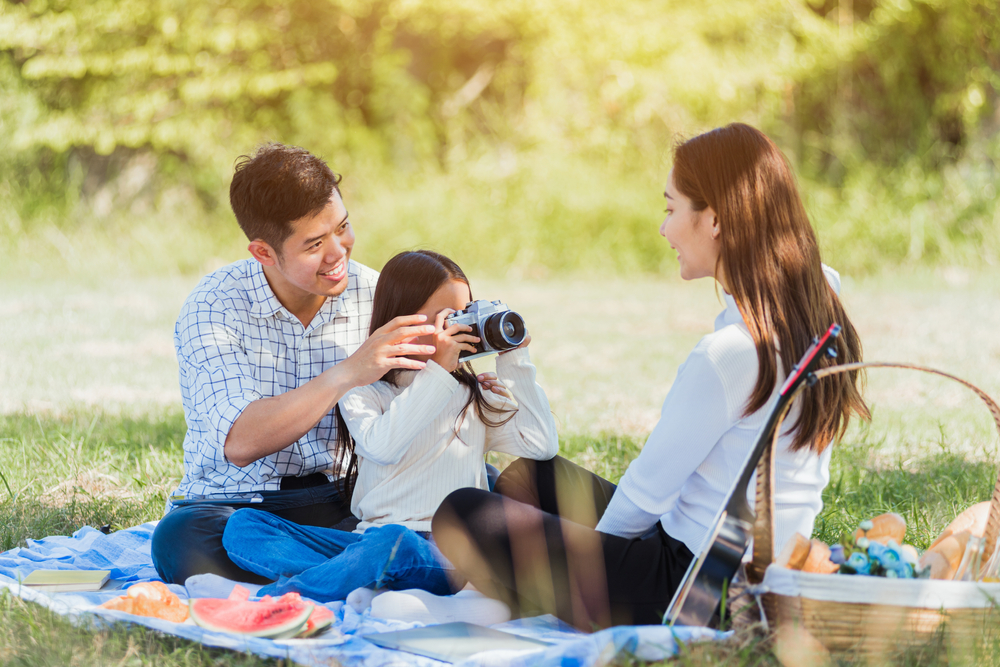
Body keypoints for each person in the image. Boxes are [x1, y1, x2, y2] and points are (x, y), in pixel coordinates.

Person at [431, 123, 870, 629]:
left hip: (696, 588)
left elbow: (644, 498)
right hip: (755, 563)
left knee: (462, 512)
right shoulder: (817, 304)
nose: (664, 230)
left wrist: (594, 565)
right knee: (529, 477)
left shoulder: (728, 354)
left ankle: (528, 597)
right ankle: (524, 589)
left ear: (716, 221)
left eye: (671, 209)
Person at [150, 145, 504, 584]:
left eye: (343, 227)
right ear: (263, 252)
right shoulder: (215, 307)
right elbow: (240, 441)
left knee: (481, 484)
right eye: (315, 244)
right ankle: (404, 562)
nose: (338, 252)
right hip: (246, 504)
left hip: (353, 496)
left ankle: (375, 561)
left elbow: (429, 394)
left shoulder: (378, 294)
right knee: (183, 540)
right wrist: (350, 371)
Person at [219, 250, 559, 602]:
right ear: (403, 319)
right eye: (447, 319)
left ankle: (279, 598)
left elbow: (540, 445)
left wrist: (515, 358)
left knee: (392, 545)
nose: (461, 329)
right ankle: (361, 577)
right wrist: (437, 373)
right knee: (245, 527)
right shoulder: (364, 389)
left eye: (465, 314)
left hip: (449, 551)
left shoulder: (470, 394)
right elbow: (383, 446)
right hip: (369, 540)